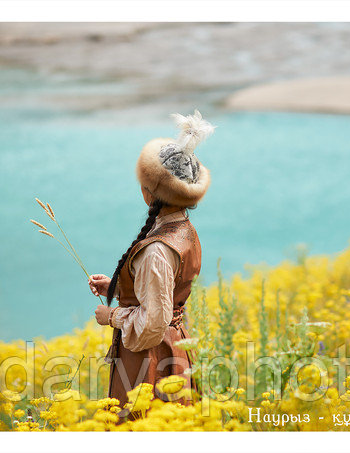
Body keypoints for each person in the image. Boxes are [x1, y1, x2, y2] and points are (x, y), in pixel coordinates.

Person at [88, 110, 215, 420]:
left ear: (150, 193)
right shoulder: (184, 229)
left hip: (151, 362)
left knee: (144, 425)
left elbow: (153, 325)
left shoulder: (156, 250)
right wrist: (121, 288)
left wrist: (111, 315)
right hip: (176, 349)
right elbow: (166, 293)